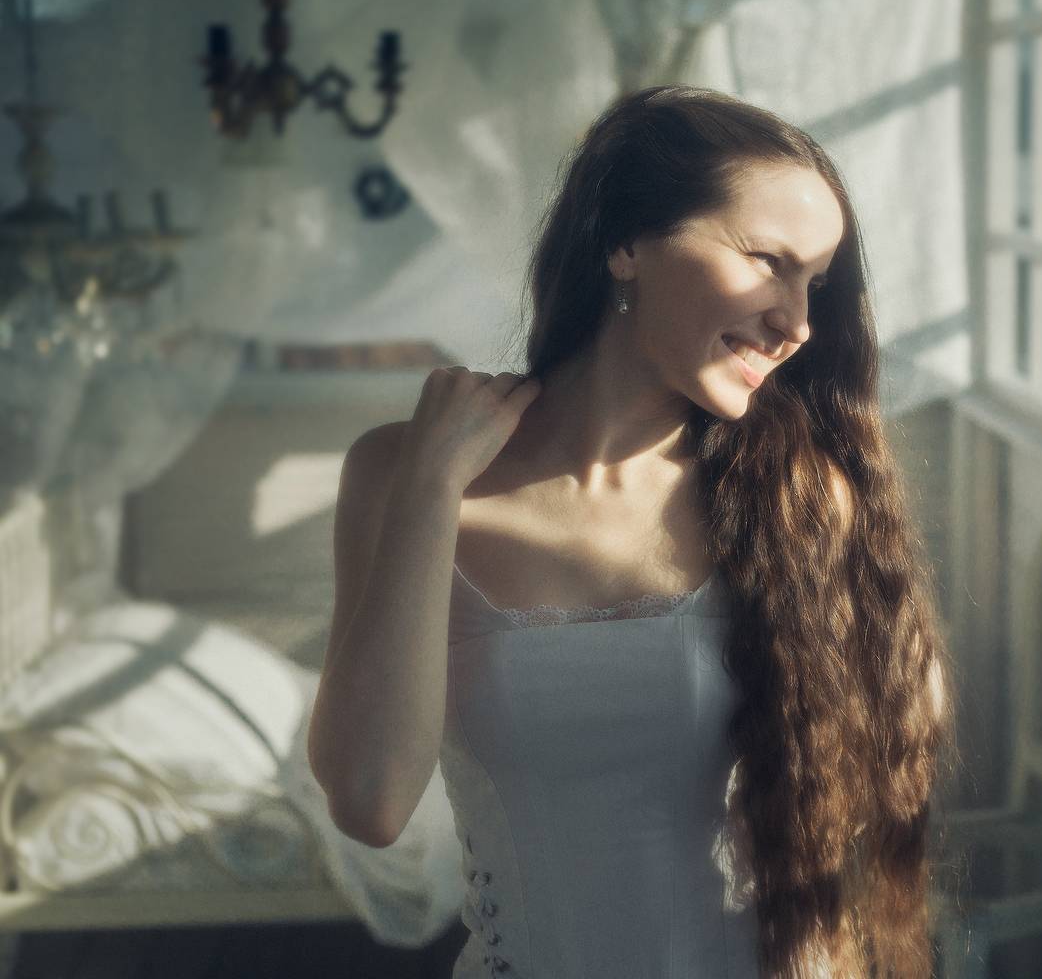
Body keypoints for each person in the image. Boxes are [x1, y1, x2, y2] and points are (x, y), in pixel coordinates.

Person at [307, 85, 957, 979]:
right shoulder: (400, 473)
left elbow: (880, 786)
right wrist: (432, 485)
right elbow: (370, 800)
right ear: (625, 243)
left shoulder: (800, 500)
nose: (798, 323)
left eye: (814, 283)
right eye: (767, 261)